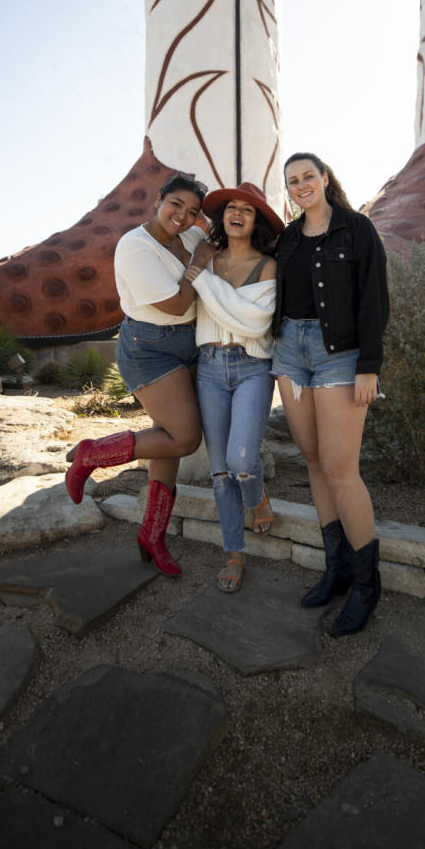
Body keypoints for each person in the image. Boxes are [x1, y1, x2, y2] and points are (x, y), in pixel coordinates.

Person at [64, 172, 212, 576]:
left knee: (167, 443)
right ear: (158, 200)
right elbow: (178, 304)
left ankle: (153, 534)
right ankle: (91, 454)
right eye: (175, 204)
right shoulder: (135, 246)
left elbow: (215, 236)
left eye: (192, 211)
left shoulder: (194, 237)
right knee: (183, 437)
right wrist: (200, 263)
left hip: (190, 343)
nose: (182, 217)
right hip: (150, 346)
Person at [271, 152, 389, 635]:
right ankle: (336, 569)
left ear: (324, 179)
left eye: (307, 177)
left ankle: (366, 586)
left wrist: (369, 368)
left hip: (339, 354)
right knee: (315, 462)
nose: (301, 185)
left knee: (342, 470)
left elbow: (375, 300)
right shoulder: (287, 238)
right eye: (292, 180)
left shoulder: (356, 229)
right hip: (289, 354)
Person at [189, 182, 283, 592]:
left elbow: (254, 321)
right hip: (209, 367)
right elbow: (233, 309)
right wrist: (200, 269)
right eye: (231, 208)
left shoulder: (267, 265)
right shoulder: (208, 260)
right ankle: (234, 552)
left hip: (252, 368)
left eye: (248, 209)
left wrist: (198, 278)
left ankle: (257, 495)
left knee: (242, 462)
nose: (237, 214)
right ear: (222, 217)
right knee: (220, 472)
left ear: (256, 220)